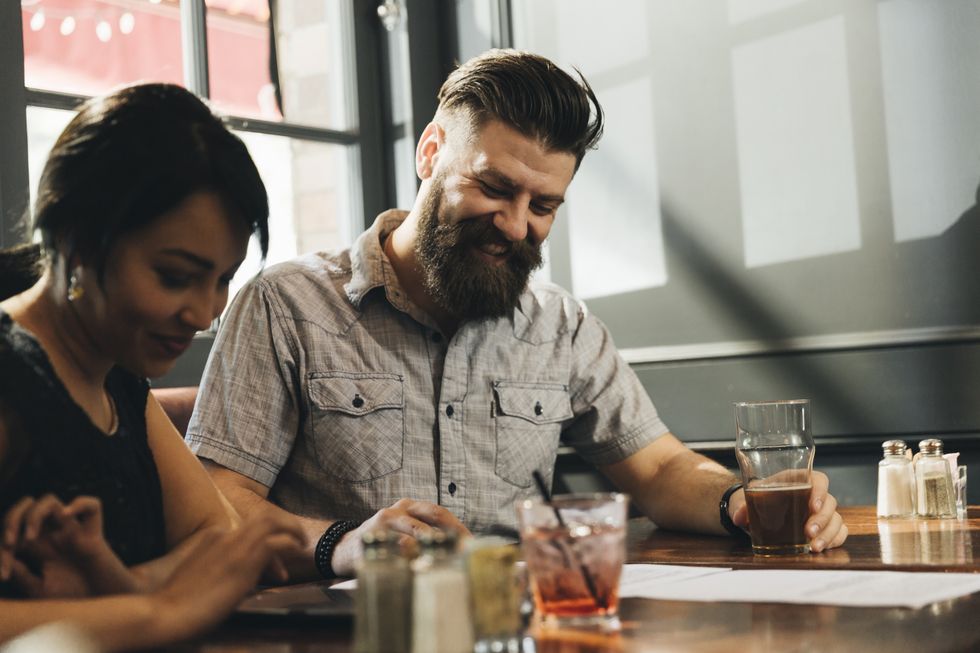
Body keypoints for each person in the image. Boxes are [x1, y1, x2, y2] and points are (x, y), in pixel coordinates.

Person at [186, 49, 848, 581]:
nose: (514, 224)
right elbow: (215, 503)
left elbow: (658, 470)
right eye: (494, 187)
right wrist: (344, 543)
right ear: (430, 152)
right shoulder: (287, 304)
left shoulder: (561, 325)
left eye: (544, 206)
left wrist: (741, 501)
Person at [0, 83, 303, 649]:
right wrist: (160, 609)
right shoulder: (12, 371)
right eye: (174, 276)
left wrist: (111, 586)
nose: (204, 313)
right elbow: (200, 571)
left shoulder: (116, 373)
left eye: (222, 279)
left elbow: (215, 537)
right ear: (78, 241)